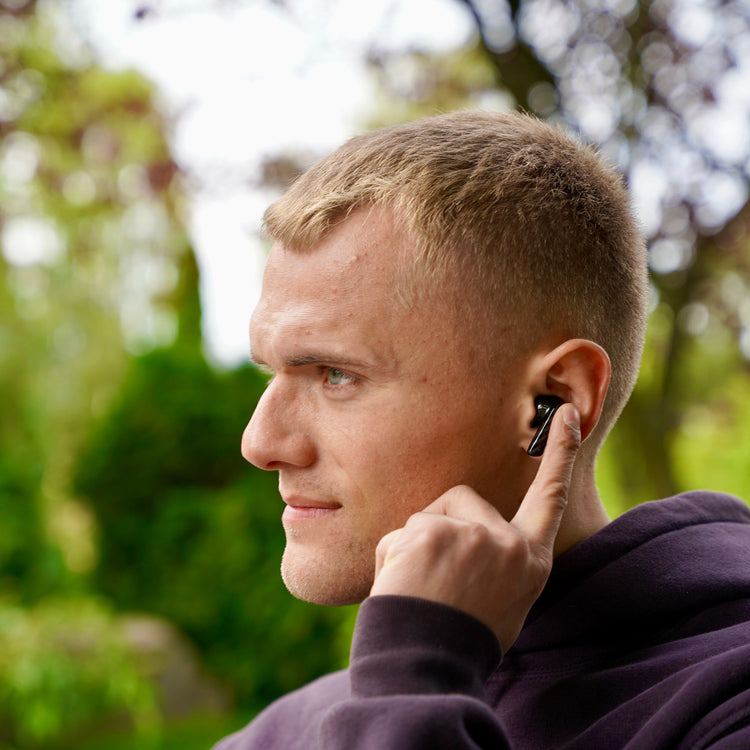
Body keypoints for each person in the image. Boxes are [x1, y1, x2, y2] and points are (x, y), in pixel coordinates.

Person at [214, 111, 750, 749]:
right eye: (270, 372)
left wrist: (411, 687)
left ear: (554, 403)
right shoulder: (282, 735)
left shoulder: (724, 714)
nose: (260, 443)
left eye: (335, 375)